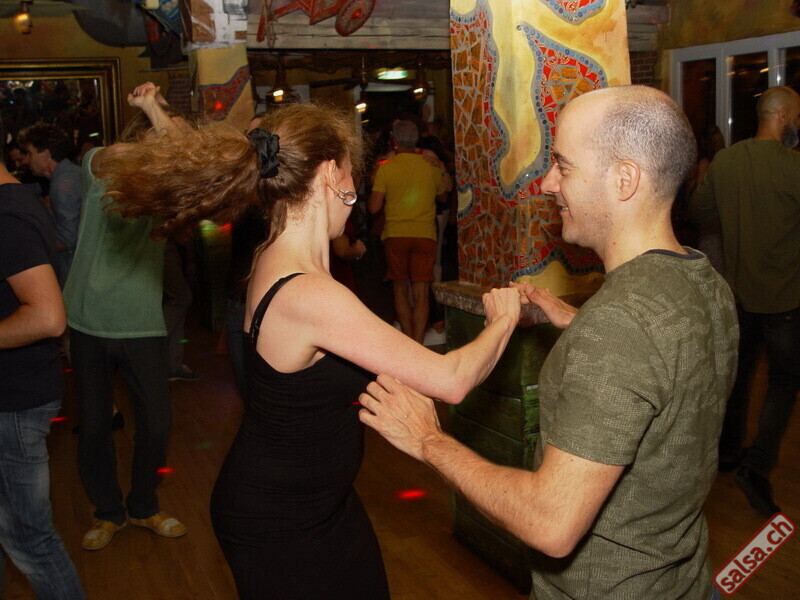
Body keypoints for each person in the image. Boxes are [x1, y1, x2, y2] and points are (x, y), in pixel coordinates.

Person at [96, 101, 521, 599]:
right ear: (327, 174)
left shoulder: (278, 258)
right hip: (280, 518)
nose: (356, 188)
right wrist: (505, 317)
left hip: (319, 500)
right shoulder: (309, 292)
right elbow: (452, 380)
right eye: (352, 172)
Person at [358, 86, 739, 600]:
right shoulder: (703, 280)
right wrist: (576, 320)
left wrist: (428, 439)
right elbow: (658, 361)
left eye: (563, 165)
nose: (546, 183)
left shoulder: (620, 325)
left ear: (624, 179)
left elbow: (550, 523)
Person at [63, 83, 187, 551]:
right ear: (142, 134)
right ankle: (107, 511)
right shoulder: (100, 161)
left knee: (156, 424)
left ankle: (142, 505)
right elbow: (165, 152)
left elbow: (181, 157)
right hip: (89, 317)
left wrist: (155, 108)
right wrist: (152, 111)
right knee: (96, 427)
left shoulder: (165, 186)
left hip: (141, 321)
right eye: (161, 129)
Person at [689, 85, 800, 516]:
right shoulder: (793, 166)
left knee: (738, 377)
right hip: (785, 299)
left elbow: (698, 212)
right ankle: (756, 468)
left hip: (738, 295)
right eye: (797, 116)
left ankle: (727, 452)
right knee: (783, 382)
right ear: (784, 117)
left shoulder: (726, 161)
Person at [0, 121, 86, 599]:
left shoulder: (6, 213)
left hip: (13, 400)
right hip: (16, 392)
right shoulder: (18, 199)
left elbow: (48, 317)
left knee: (29, 540)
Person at [368, 119, 448, 343]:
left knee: (400, 289)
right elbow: (443, 196)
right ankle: (418, 343)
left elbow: (373, 207)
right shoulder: (430, 166)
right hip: (425, 234)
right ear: (417, 139)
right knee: (421, 292)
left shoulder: (387, 167)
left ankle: (408, 342)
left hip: (396, 234)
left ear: (395, 140)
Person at [17, 123, 82, 285]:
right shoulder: (72, 173)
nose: (26, 160)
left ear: (46, 155)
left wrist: (29, 244)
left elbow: (67, 239)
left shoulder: (62, 184)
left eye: (30, 153)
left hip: (72, 273)